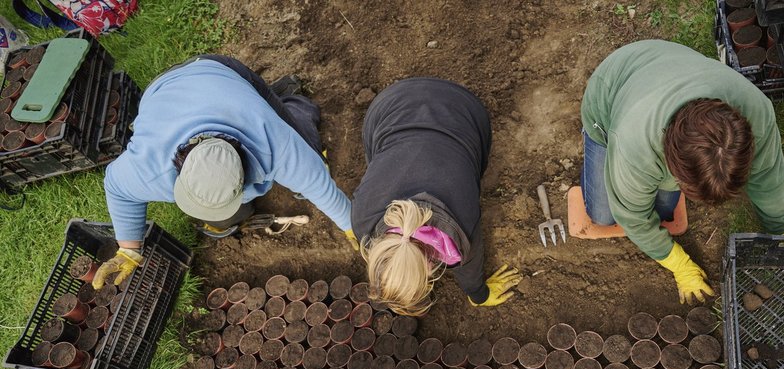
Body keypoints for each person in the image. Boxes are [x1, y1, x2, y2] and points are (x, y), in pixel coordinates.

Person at [569, 40, 784, 304]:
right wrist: (677, 263)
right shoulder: (633, 143)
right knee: (604, 216)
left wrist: (783, 228)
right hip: (612, 90)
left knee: (663, 211)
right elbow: (632, 217)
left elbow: (768, 176)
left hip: (672, 66)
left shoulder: (756, 109)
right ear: (669, 158)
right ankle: (600, 162)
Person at [94, 55, 355, 289]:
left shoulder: (274, 142)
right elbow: (117, 188)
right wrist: (129, 249)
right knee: (223, 215)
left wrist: (351, 225)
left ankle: (295, 103)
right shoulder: (150, 169)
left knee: (299, 135)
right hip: (166, 90)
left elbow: (320, 186)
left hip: (224, 73)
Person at [351, 78, 521, 316]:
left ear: (430, 268)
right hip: (389, 105)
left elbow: (469, 268)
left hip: (464, 112)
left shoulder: (462, 228)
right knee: (381, 158)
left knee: (473, 167)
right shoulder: (361, 218)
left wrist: (479, 296)